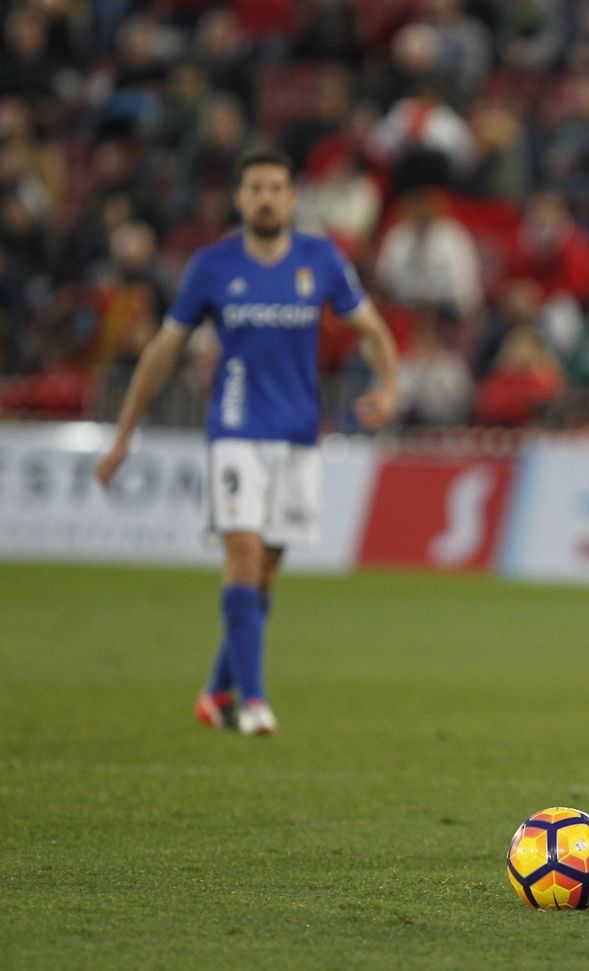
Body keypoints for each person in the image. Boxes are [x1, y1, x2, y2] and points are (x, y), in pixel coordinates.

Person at [95, 149, 399, 736]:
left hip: (298, 434)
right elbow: (163, 351)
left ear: (291, 198)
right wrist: (124, 434)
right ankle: (253, 702)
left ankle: (215, 692)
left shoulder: (321, 260)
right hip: (235, 428)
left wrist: (388, 385)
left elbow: (371, 329)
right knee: (242, 552)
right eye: (255, 188)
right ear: (239, 198)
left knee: (264, 575)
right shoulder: (213, 266)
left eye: (276, 188)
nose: (265, 198)